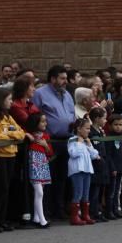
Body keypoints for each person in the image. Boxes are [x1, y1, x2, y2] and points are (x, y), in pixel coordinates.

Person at [32, 65, 76, 220]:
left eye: (65, 78)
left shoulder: (67, 94)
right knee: (46, 178)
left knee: (62, 177)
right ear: (53, 79)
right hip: (49, 142)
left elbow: (72, 114)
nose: (65, 81)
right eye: (62, 78)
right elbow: (35, 117)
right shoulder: (40, 94)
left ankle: (59, 209)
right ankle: (45, 210)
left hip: (67, 140)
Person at [0, 87, 27, 232]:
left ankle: (2, 220)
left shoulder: (7, 116)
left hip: (11, 154)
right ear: (0, 100)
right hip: (0, 156)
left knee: (6, 188)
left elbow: (21, 133)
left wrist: (9, 133)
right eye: (9, 99)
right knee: (0, 189)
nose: (11, 102)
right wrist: (11, 133)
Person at [67, 117, 99, 225]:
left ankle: (85, 215)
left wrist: (89, 145)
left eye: (89, 128)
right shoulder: (72, 140)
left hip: (87, 170)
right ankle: (74, 217)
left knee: (86, 194)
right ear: (79, 129)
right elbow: (73, 154)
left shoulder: (86, 141)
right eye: (87, 128)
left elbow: (95, 155)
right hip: (77, 170)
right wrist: (80, 143)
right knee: (78, 193)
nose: (89, 131)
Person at [25, 113, 53, 229]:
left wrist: (45, 145)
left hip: (43, 164)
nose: (45, 123)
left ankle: (37, 217)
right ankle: (42, 219)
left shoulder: (45, 136)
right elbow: (20, 131)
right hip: (34, 165)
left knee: (41, 191)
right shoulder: (30, 135)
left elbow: (50, 152)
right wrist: (26, 134)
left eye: (45, 121)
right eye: (42, 121)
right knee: (39, 192)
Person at [101, 114, 122, 219]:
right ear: (110, 126)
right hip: (113, 169)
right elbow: (108, 155)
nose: (118, 127)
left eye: (120, 125)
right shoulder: (109, 138)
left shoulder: (121, 138)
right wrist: (112, 168)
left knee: (117, 191)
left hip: (121, 167)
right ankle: (109, 210)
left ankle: (116, 209)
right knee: (111, 191)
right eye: (115, 124)